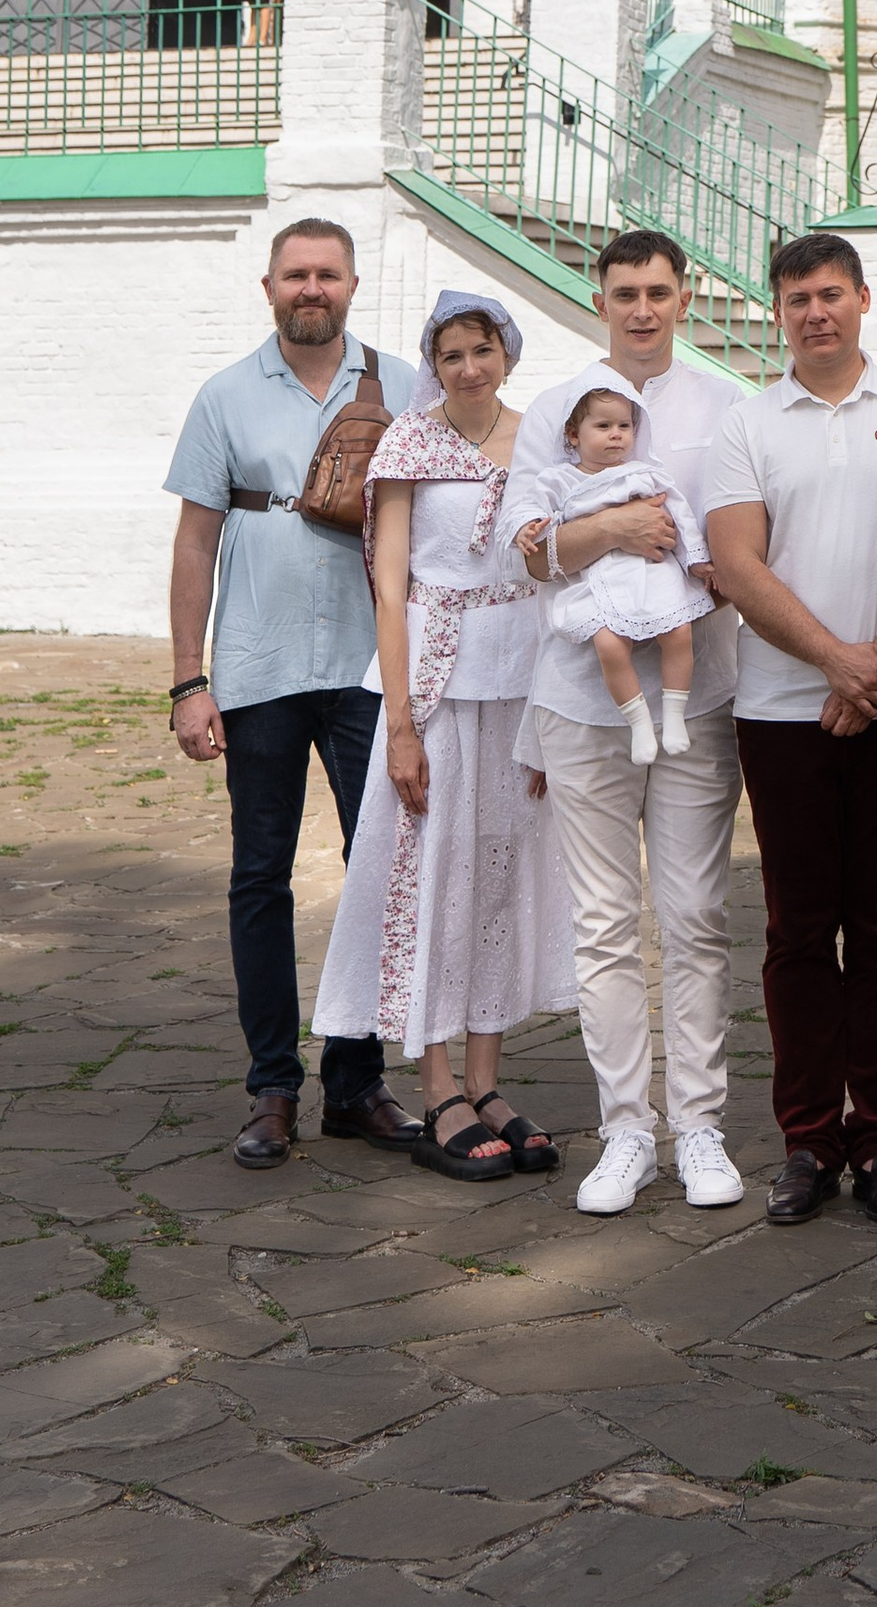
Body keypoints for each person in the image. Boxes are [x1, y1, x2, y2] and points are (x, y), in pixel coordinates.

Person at [163, 218, 423, 1169]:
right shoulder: (225, 396)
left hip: (370, 669)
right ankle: (273, 1086)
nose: (311, 288)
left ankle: (357, 1084)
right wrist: (191, 679)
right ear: (267, 286)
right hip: (261, 667)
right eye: (295, 275)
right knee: (259, 878)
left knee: (378, 873)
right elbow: (195, 543)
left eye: (328, 274)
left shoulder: (405, 386)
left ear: (354, 284)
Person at [312, 290, 576, 1178]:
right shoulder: (411, 441)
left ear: (509, 351)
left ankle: (488, 1077)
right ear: (436, 361)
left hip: (519, 679)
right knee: (432, 877)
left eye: (484, 349)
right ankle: (434, 1085)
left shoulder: (540, 438)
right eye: (453, 353)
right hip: (434, 680)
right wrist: (400, 726)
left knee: (499, 873)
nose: (470, 367)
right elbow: (389, 584)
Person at [512, 228, 747, 1217]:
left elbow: (736, 546)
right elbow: (525, 556)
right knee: (604, 925)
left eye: (658, 291)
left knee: (694, 916)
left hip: (697, 693)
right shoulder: (555, 413)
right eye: (624, 292)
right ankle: (625, 1130)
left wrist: (679, 563)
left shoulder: (723, 404)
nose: (642, 308)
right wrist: (615, 529)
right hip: (581, 698)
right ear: (598, 297)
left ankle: (698, 1123)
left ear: (683, 298)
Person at [705, 232, 877, 1231]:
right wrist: (836, 664)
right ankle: (805, 1138)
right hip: (779, 711)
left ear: (863, 300)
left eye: (830, 294)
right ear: (778, 310)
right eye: (795, 297)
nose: (814, 312)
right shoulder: (744, 424)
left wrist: (874, 664)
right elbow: (736, 568)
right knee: (797, 934)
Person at [534, 385, 715, 763]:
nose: (616, 434)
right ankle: (638, 724)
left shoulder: (644, 474)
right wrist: (526, 527)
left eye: (624, 425)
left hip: (651, 570)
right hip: (599, 575)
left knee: (679, 632)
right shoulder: (559, 480)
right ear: (573, 435)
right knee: (610, 646)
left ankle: (675, 715)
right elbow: (535, 513)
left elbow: (679, 515)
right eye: (603, 426)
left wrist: (694, 558)